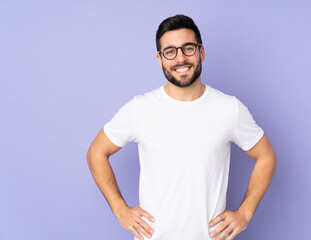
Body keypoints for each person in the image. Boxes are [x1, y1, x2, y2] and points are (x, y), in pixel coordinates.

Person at [87, 14, 277, 240]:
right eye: (170, 51)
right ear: (160, 59)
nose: (180, 58)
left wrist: (245, 213)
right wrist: (120, 209)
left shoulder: (229, 108)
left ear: (201, 53)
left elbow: (266, 156)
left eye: (188, 48)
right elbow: (96, 153)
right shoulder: (140, 108)